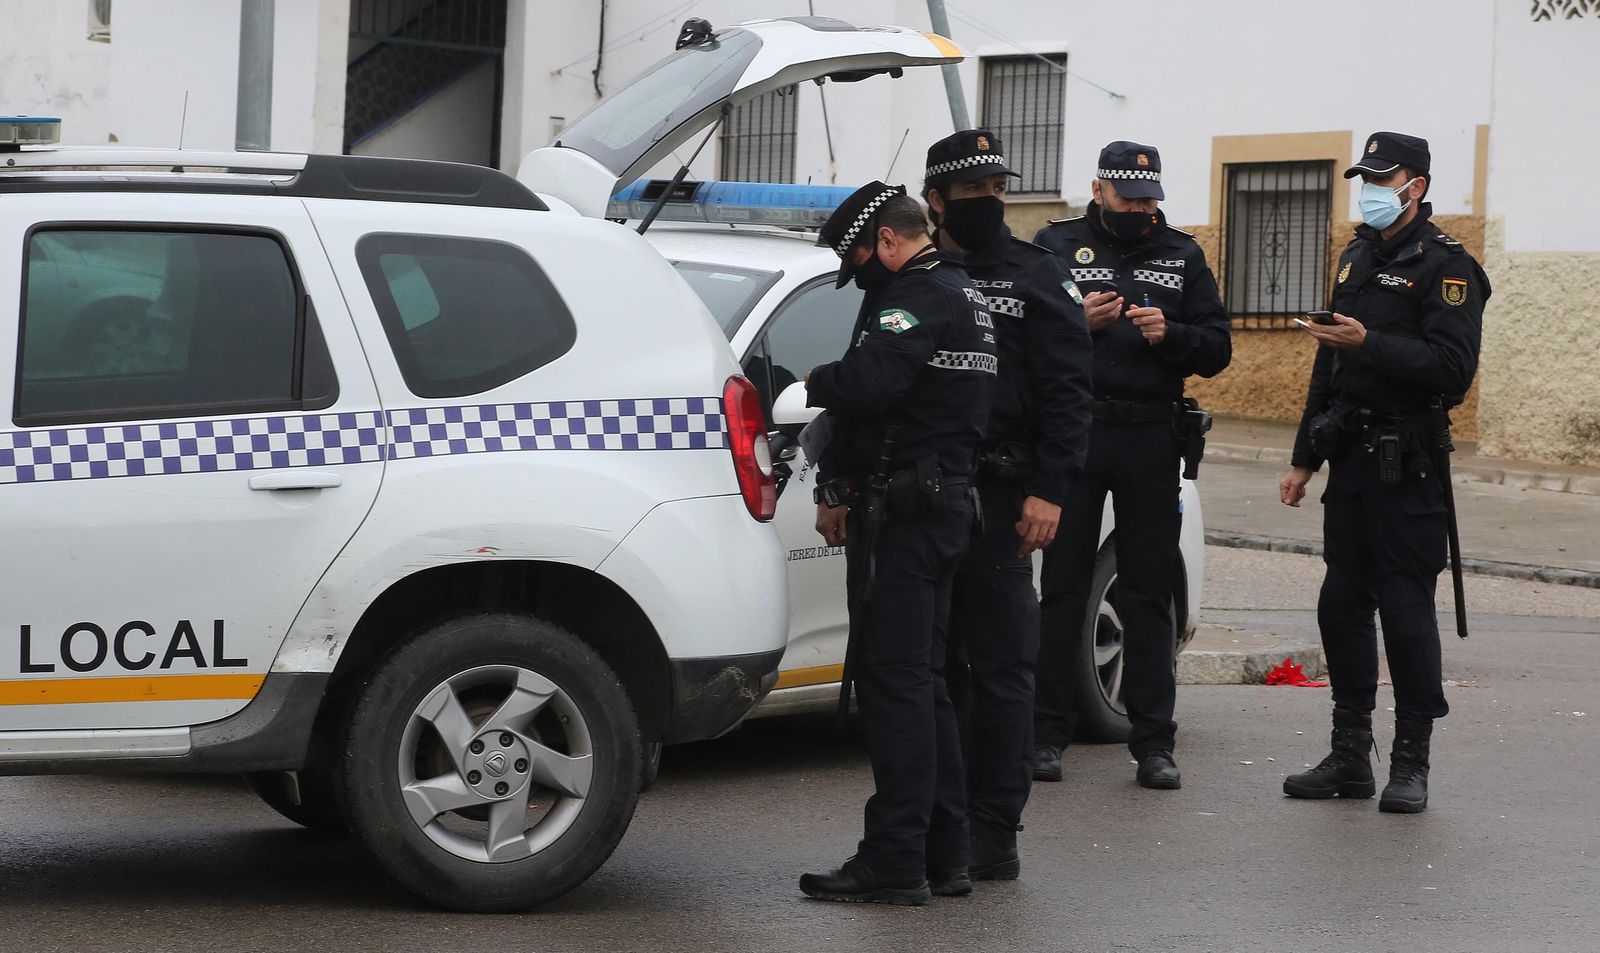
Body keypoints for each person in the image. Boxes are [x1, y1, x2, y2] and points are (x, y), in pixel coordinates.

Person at [799, 181, 997, 904]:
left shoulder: (913, 295)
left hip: (909, 516)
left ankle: (894, 857)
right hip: (944, 506)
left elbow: (873, 381)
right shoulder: (966, 291)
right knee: (929, 684)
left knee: (896, 686)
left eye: (862, 260)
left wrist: (819, 379)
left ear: (887, 240)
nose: (864, 279)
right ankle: (946, 854)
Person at [1279, 131, 1488, 814]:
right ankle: (1349, 753)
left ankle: (1411, 760)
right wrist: (1304, 456)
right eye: (1363, 178)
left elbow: (1452, 371)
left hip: (1411, 464)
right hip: (1352, 459)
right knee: (1340, 604)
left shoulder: (1447, 268)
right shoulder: (1357, 255)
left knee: (1403, 608)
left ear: (1416, 186)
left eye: (1381, 177)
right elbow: (1328, 361)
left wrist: (1372, 341)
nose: (1368, 189)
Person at [1031, 141, 1231, 789]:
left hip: (1150, 434)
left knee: (1147, 591)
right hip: (1076, 430)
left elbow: (1218, 347)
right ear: (1098, 189)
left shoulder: (1181, 253)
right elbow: (1018, 333)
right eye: (1130, 198)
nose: (1142, 210)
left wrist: (1171, 335)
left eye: (1151, 199)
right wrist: (1074, 321)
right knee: (1062, 587)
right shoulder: (1055, 246)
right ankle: (1045, 734)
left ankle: (1153, 743)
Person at [920, 129, 1093, 878]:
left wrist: (1050, 490)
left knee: (1000, 671)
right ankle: (942, 828)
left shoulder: (1038, 274)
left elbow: (1068, 394)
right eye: (974, 193)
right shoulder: (919, 278)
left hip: (1005, 495)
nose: (991, 201)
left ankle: (997, 830)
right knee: (933, 671)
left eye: (998, 189)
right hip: (929, 494)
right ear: (936, 201)